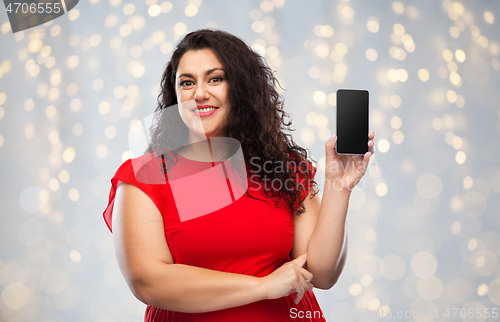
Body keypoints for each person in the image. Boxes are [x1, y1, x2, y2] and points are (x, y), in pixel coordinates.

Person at [102, 28, 376, 321]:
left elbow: (321, 273)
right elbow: (147, 280)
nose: (200, 93)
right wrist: (263, 286)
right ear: (175, 93)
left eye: (215, 79)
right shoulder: (144, 177)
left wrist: (339, 186)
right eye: (187, 83)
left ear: (241, 88)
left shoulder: (283, 168)